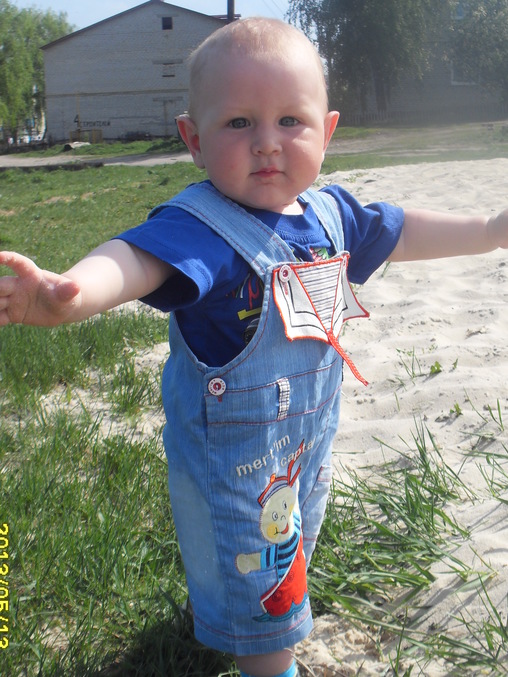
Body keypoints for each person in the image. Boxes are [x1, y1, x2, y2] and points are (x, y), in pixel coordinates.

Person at [0, 17, 507, 677]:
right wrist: (72, 293)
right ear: (194, 140)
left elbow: (404, 231)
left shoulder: (331, 216)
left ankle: (229, 606)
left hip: (303, 445)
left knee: (284, 549)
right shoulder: (204, 226)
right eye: (239, 123)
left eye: (290, 121)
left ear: (326, 131)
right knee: (266, 595)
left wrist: (490, 228)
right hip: (233, 460)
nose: (267, 142)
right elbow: (134, 259)